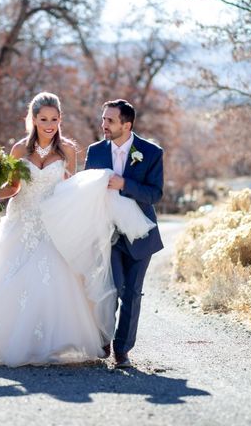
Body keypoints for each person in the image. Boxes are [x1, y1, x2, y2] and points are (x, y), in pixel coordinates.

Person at [0, 92, 154, 367]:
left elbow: (71, 189)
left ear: (60, 119)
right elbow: (14, 187)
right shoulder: (19, 150)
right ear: (33, 119)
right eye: (43, 119)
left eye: (54, 119)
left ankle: (49, 342)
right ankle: (14, 342)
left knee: (53, 282)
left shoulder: (69, 151)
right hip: (21, 221)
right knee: (12, 279)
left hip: (53, 223)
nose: (49, 124)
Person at [85, 99, 164, 368]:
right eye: (103, 118)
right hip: (107, 233)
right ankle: (104, 337)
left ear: (126, 125)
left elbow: (155, 194)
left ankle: (122, 350)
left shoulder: (151, 153)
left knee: (132, 293)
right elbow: (86, 191)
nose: (103, 124)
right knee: (110, 289)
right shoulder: (94, 152)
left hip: (140, 234)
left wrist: (125, 184)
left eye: (110, 120)